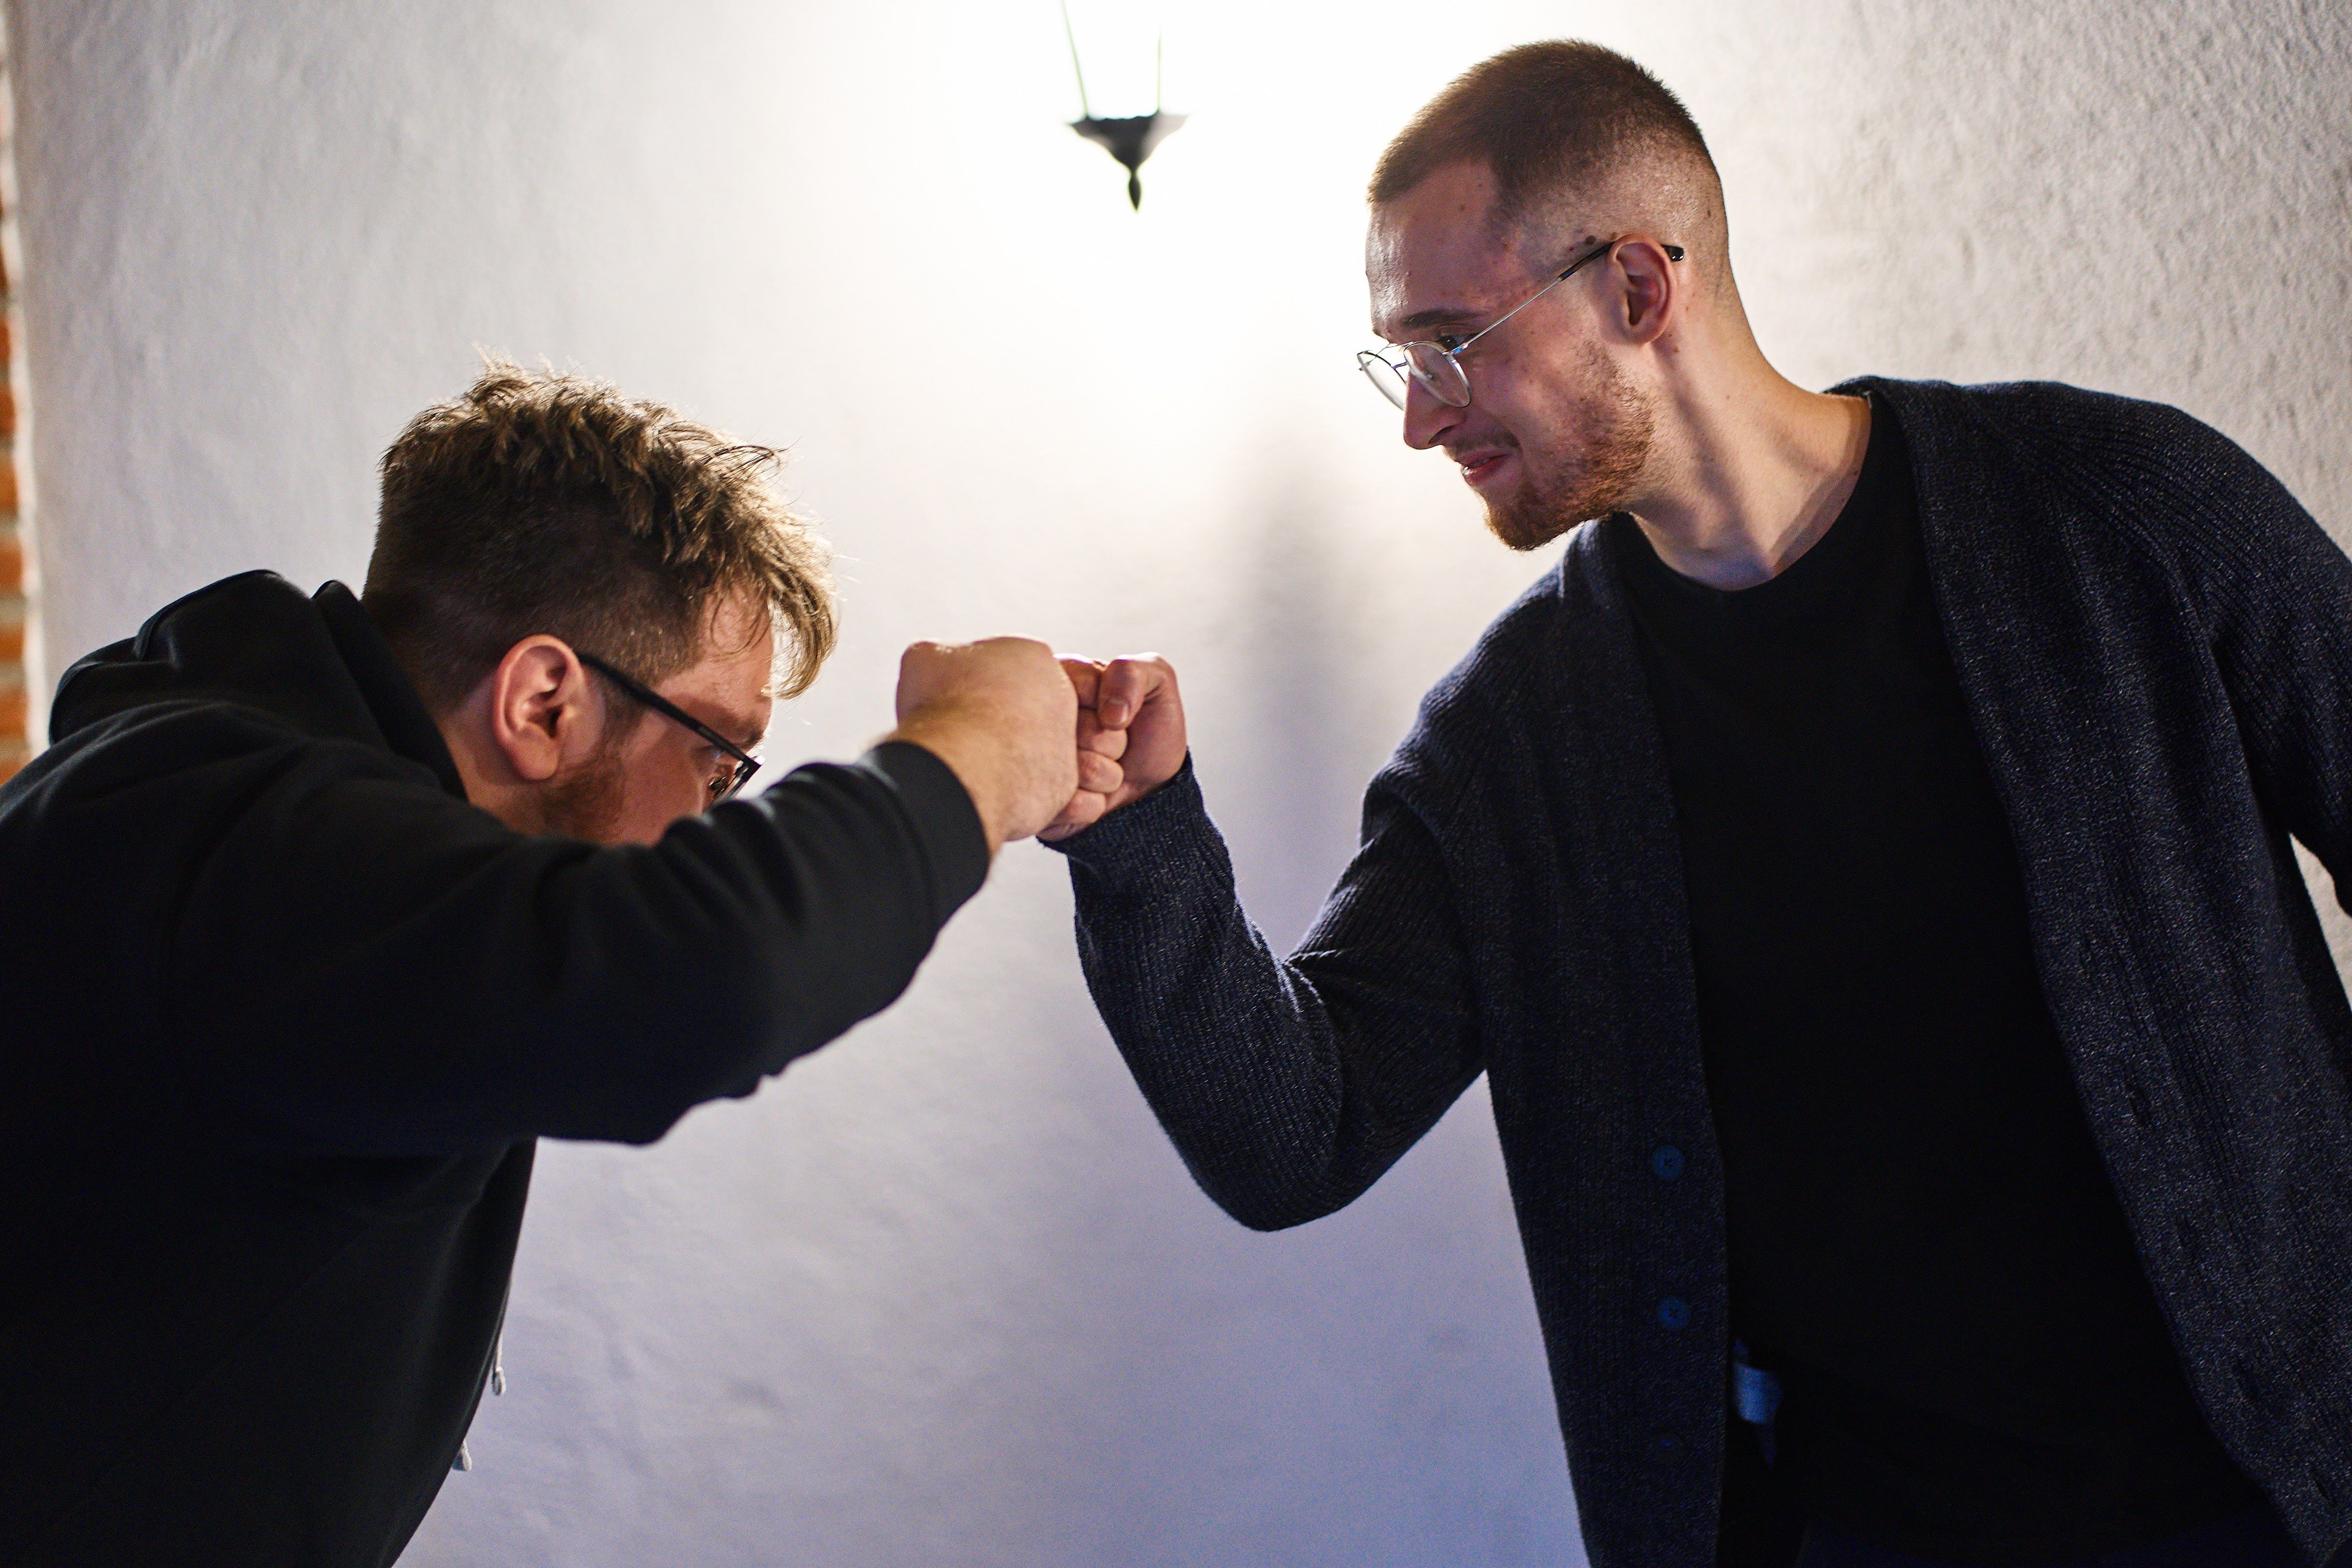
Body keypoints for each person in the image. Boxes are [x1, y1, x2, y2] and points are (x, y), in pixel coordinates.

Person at [1048, 40, 2351, 1568]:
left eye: (1451, 343)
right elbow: (1297, 1133)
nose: (1417, 415)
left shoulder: (2112, 508)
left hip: (2273, 1499)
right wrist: (1136, 840)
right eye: (1400, 358)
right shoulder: (1509, 749)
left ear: (1640, 290)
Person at [0, 363, 1117, 1567]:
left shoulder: (273, 822)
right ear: (542, 701)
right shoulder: (246, 849)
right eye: (719, 756)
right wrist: (980, 753)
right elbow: (703, 974)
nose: (712, 817)